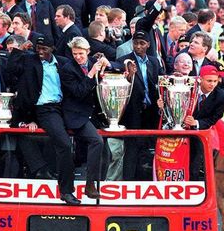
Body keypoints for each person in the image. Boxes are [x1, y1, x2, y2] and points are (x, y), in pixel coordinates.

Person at [7, 35, 80, 205]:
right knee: (64, 144)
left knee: (92, 138)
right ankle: (66, 191)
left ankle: (91, 180)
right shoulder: (29, 60)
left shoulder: (62, 62)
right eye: (38, 48)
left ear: (52, 49)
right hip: (45, 109)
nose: (40, 52)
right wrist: (19, 50)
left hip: (65, 108)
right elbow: (10, 71)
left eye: (44, 49)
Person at [60, 37, 109, 198]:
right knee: (96, 141)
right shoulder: (68, 69)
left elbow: (114, 65)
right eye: (75, 54)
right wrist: (91, 73)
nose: (78, 57)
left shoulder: (94, 61)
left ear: (88, 52)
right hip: (76, 114)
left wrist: (107, 64)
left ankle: (100, 181)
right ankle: (90, 185)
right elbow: (79, 92)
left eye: (81, 53)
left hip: (93, 113)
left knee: (106, 149)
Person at [117, 29, 160, 180]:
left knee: (149, 148)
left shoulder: (154, 61)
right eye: (136, 43)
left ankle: (147, 180)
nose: (138, 46)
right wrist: (128, 77)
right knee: (132, 148)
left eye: (142, 43)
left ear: (148, 44)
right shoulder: (125, 60)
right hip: (133, 111)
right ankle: (128, 182)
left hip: (151, 111)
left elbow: (159, 82)